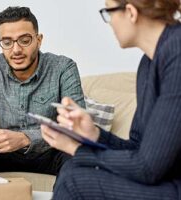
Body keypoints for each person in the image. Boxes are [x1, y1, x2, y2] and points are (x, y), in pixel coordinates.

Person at [41, 0, 181, 199]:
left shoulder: (176, 53)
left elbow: (148, 167)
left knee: (75, 181)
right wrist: (95, 135)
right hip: (166, 180)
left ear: (131, 12)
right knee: (72, 167)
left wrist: (76, 148)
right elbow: (137, 147)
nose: (109, 22)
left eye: (109, 12)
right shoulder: (148, 63)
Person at [0, 6, 86, 178]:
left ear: (38, 40)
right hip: (4, 152)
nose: (16, 50)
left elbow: (75, 127)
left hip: (50, 151)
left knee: (80, 153)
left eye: (24, 40)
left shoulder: (63, 67)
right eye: (7, 42)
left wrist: (26, 138)